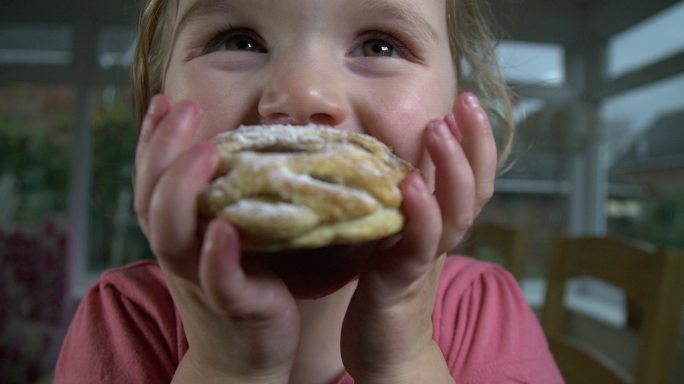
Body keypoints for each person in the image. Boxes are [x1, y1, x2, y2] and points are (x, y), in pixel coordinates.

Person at [55, 0, 564, 383]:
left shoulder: (485, 313)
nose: (303, 92)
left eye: (379, 45)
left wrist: (405, 358)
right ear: (156, 104)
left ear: (456, 117)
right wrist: (225, 366)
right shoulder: (125, 317)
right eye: (238, 40)